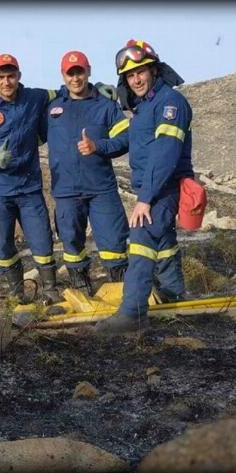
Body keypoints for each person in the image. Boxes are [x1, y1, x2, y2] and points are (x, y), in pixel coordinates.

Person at [96, 39, 193, 333]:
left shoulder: (170, 103)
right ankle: (173, 294)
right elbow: (129, 141)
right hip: (153, 188)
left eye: (141, 72)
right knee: (162, 242)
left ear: (153, 70)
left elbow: (165, 153)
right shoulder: (144, 108)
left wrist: (145, 199)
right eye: (130, 75)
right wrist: (96, 146)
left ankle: (133, 312)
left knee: (140, 237)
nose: (136, 79)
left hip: (164, 187)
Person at [0, 53, 60, 303]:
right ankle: (17, 294)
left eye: (11, 76)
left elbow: (65, 91)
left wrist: (98, 89)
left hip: (29, 189)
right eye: (1, 77)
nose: (6, 82)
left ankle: (50, 291)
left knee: (42, 241)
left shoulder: (35, 97)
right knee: (2, 245)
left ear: (19, 76)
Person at [44, 51, 130, 295]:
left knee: (114, 242)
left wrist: (98, 146)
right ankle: (80, 288)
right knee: (71, 242)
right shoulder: (51, 107)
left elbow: (126, 139)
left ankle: (122, 291)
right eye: (70, 73)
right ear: (63, 75)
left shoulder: (106, 105)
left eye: (79, 71)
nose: (75, 78)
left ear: (88, 71)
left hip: (102, 189)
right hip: (66, 191)